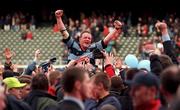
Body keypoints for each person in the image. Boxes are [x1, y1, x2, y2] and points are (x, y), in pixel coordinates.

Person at [55, 10, 122, 64]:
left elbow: (106, 40)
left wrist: (116, 29)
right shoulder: (73, 45)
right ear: (80, 39)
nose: (87, 39)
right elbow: (64, 32)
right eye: (85, 37)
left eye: (89, 38)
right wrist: (58, 18)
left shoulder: (92, 48)